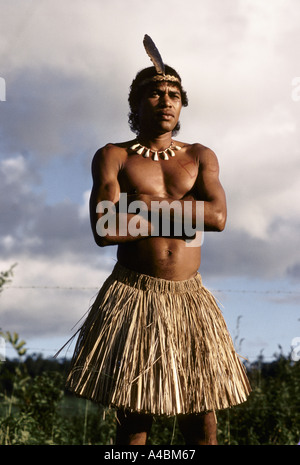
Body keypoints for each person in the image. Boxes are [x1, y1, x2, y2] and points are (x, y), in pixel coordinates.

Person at [65, 36, 251, 445]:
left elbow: (218, 217)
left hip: (189, 300)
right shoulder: (114, 155)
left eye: (174, 95)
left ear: (182, 105)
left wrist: (142, 208)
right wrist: (185, 216)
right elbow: (104, 229)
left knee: (201, 422)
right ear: (136, 104)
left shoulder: (201, 155)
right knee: (134, 422)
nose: (166, 100)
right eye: (155, 93)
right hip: (134, 296)